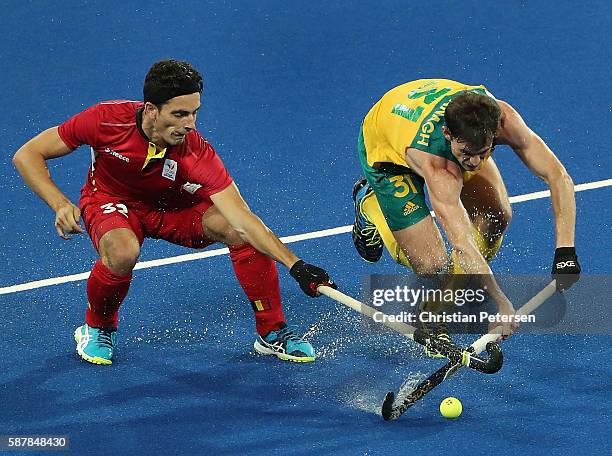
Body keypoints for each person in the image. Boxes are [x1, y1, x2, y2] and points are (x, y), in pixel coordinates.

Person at [13, 59, 335, 365]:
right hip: (112, 201)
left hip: (174, 208)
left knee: (237, 231)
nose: (189, 124)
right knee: (122, 251)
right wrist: (60, 203)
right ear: (151, 110)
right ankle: (97, 327)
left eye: (194, 113)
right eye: (180, 114)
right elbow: (28, 155)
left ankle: (272, 331)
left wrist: (296, 266)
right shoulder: (104, 120)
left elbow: (244, 219)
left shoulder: (197, 152)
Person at [352, 79, 580, 345]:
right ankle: (370, 205)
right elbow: (462, 244)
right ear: (448, 134)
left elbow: (558, 176)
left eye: (483, 153)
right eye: (466, 153)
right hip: (386, 146)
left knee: (497, 216)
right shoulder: (440, 168)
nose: (473, 163)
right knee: (430, 264)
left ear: (494, 132)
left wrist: (566, 251)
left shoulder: (503, 119)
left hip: (422, 115)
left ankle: (438, 306)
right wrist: (501, 302)